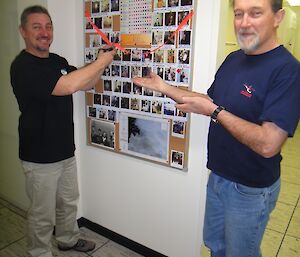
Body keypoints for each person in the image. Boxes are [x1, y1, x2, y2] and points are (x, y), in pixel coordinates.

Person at [133, 0, 300, 256]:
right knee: (215, 246)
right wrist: (164, 88)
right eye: (239, 14)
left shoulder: (287, 70)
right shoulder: (234, 59)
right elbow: (212, 102)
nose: (244, 22)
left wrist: (215, 112)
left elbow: (268, 144)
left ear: (277, 17)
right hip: (219, 176)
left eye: (255, 13)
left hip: (250, 189)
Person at [10, 5, 115, 257]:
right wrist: (100, 61)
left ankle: (68, 239)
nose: (44, 32)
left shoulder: (57, 61)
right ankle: (39, 253)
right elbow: (66, 86)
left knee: (68, 203)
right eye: (37, 27)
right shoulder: (23, 66)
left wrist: (100, 63)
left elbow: (84, 82)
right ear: (23, 31)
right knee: (42, 213)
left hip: (64, 150)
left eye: (48, 26)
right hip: (39, 156)